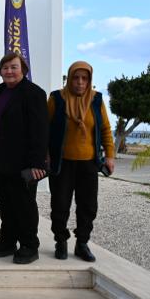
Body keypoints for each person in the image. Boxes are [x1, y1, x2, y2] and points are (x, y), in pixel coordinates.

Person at [48, 60, 116, 262]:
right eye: (76, 78)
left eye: (84, 78)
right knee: (60, 205)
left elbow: (105, 129)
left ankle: (82, 243)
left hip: (89, 163)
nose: (79, 82)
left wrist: (110, 156)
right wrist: (45, 155)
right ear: (69, 79)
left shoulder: (96, 100)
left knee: (88, 206)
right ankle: (61, 241)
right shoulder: (56, 98)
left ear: (89, 80)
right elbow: (45, 128)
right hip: (62, 163)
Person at [0, 53, 47, 265]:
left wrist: (37, 162)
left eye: (14, 67)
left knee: (24, 205)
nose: (9, 71)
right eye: (5, 68)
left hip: (23, 163)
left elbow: (40, 130)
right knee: (6, 202)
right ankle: (8, 240)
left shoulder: (34, 93)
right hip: (0, 160)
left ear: (23, 70)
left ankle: (29, 245)